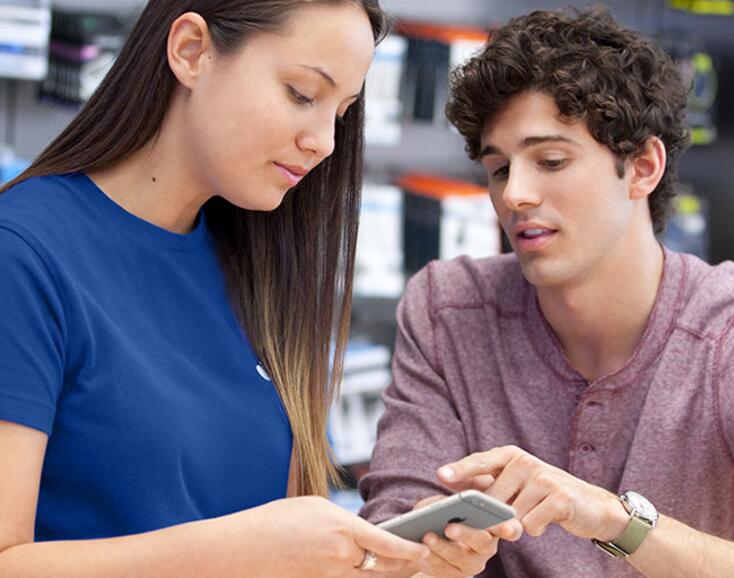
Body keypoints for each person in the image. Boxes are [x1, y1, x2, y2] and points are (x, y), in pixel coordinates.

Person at [0, 1, 436, 576]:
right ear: (191, 51)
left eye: (343, 111)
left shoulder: (261, 264)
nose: (325, 142)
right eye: (303, 94)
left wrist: (396, 560)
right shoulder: (24, 254)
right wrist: (237, 553)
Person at [360, 8, 734, 578]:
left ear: (643, 167)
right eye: (499, 169)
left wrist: (612, 518)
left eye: (551, 160)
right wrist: (430, 551)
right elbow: (391, 528)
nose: (516, 196)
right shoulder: (448, 308)